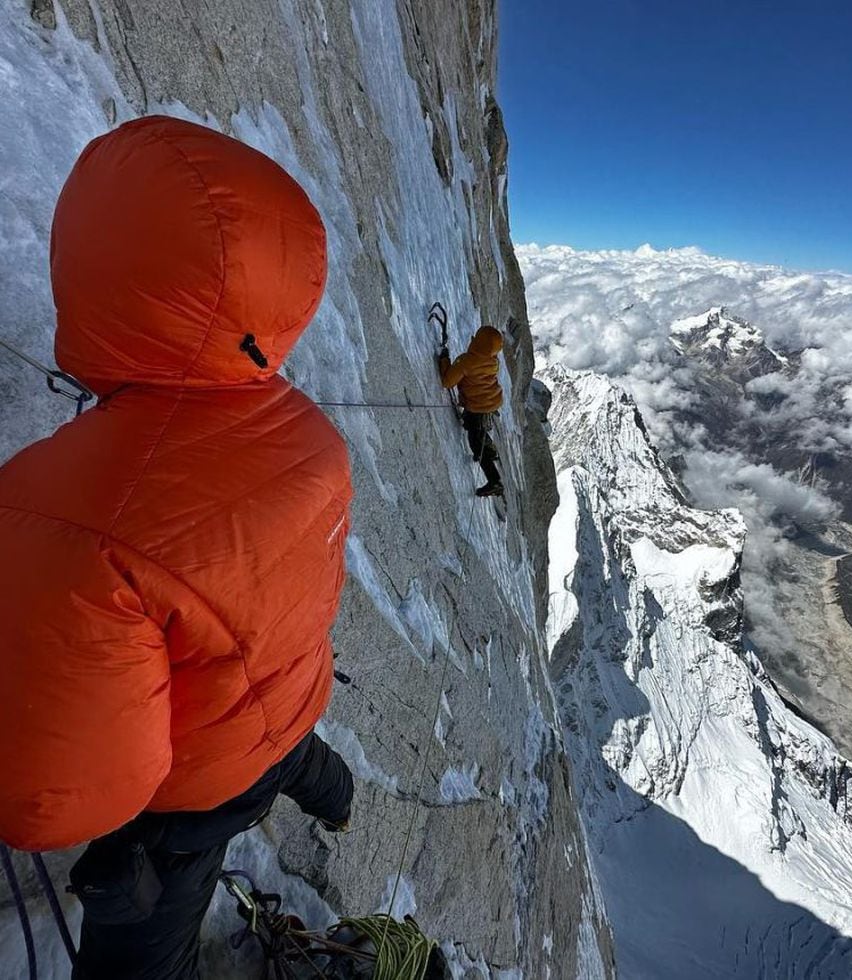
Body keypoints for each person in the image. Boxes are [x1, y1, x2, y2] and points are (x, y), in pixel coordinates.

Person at [0, 116, 355, 979]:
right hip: (293, 710)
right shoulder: (312, 435)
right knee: (289, 762)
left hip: (200, 792)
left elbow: (60, 800)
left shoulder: (62, 515)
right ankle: (334, 797)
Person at [438, 325, 505, 497]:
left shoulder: (467, 361)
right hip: (491, 401)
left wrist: (444, 360)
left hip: (477, 405)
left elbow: (447, 381)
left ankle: (494, 480)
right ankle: (489, 450)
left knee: (475, 440)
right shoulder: (493, 362)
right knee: (476, 427)